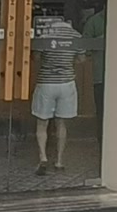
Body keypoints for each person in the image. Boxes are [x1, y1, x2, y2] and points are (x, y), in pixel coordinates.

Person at [32, 14, 82, 175]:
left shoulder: (45, 35)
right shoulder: (76, 35)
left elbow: (36, 57)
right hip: (67, 83)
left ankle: (43, 157)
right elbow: (81, 59)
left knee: (42, 123)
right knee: (61, 123)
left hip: (46, 82)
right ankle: (59, 161)